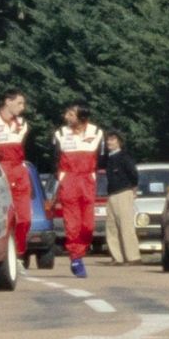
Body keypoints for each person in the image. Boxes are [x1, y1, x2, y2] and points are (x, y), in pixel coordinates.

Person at [0, 91, 36, 262]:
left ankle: (19, 252)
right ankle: (4, 256)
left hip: (19, 171)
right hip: (1, 172)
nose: (23, 107)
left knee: (25, 219)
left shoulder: (23, 124)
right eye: (20, 103)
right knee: (3, 217)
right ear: (8, 101)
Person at [54, 105, 104, 278]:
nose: (66, 116)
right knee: (72, 224)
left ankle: (80, 249)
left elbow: (102, 157)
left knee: (88, 226)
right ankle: (76, 258)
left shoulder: (96, 132)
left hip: (87, 180)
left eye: (71, 114)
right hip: (69, 180)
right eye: (67, 113)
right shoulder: (60, 134)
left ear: (81, 117)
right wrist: (62, 178)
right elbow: (55, 158)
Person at [101, 130, 140, 265]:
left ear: (119, 142)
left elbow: (133, 174)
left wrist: (133, 188)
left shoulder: (124, 156)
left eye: (112, 140)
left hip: (123, 192)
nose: (109, 142)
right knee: (111, 226)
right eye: (108, 140)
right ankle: (117, 257)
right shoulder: (108, 158)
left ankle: (133, 257)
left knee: (125, 225)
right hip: (112, 194)